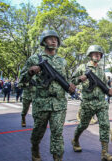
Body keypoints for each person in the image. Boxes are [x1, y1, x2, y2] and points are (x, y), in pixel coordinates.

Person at [19, 30, 76, 161]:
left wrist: (71, 86)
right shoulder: (34, 59)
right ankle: (35, 148)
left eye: (55, 39)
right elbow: (21, 81)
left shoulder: (63, 62)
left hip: (59, 104)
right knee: (38, 132)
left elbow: (66, 80)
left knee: (57, 134)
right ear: (44, 41)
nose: (53, 41)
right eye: (50, 38)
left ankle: (57, 158)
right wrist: (30, 71)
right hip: (41, 103)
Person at [71, 45, 112, 161]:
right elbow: (71, 82)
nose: (97, 55)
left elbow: (104, 86)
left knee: (105, 125)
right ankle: (75, 139)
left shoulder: (101, 70)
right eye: (95, 53)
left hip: (101, 102)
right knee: (83, 125)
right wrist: (80, 79)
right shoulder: (83, 67)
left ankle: (104, 153)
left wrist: (110, 90)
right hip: (88, 102)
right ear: (90, 55)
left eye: (99, 54)